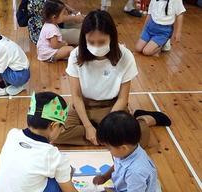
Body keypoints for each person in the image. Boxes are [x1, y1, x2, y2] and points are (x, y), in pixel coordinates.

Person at [53, 10, 171, 147]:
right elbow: (77, 97)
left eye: (102, 42)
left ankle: (144, 119)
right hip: (84, 106)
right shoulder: (75, 55)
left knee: (140, 138)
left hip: (112, 107)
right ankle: (106, 137)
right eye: (91, 42)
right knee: (56, 135)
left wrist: (106, 126)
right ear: (84, 39)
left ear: (112, 37)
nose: (96, 47)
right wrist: (88, 127)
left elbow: (122, 99)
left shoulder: (125, 56)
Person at [0, 92, 78, 192]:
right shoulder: (53, 156)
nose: (62, 131)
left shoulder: (12, 134)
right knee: (63, 175)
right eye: (61, 128)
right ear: (54, 126)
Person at [93, 111, 161, 192]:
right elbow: (117, 165)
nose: (108, 151)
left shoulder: (135, 172)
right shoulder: (126, 152)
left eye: (109, 148)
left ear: (123, 148)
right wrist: (104, 177)